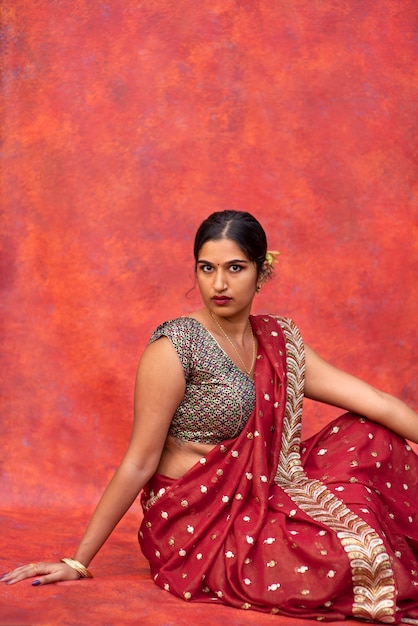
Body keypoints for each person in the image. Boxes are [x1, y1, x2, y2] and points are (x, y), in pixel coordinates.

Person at [2, 210, 418, 623]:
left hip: (267, 492)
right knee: (338, 559)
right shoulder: (176, 347)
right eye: (207, 269)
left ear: (261, 273)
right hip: (200, 524)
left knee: (372, 437)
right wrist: (77, 561)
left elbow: (376, 401)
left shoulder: (277, 341)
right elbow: (139, 461)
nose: (219, 284)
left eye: (235, 268)